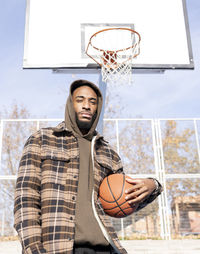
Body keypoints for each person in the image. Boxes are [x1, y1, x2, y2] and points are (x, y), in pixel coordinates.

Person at [14, 79, 162, 254]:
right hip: (58, 247)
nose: (87, 106)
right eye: (80, 100)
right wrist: (33, 249)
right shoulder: (42, 139)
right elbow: (26, 198)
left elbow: (124, 201)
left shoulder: (108, 152)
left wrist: (153, 185)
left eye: (93, 102)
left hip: (106, 247)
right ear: (70, 104)